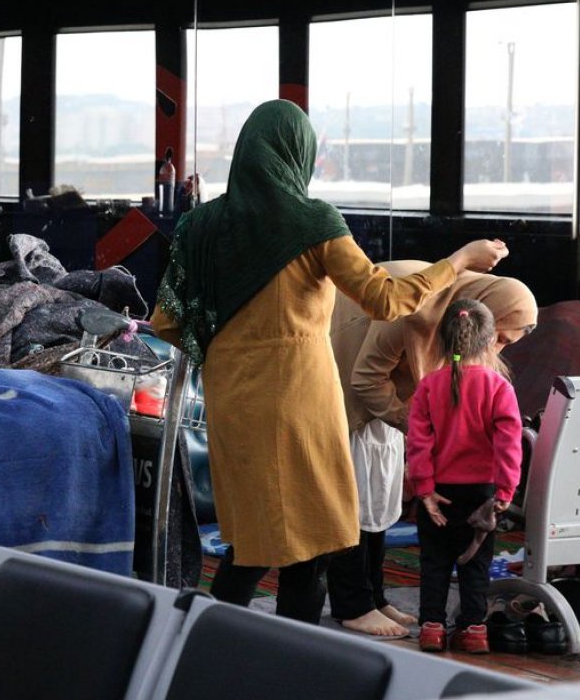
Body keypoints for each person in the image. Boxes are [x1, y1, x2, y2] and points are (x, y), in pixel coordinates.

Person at [149, 99, 509, 624]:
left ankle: (202, 642)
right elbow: (386, 299)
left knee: (254, 533)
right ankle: (297, 655)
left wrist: (228, 353)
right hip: (301, 400)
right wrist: (458, 262)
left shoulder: (199, 227)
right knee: (312, 533)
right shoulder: (314, 221)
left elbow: (167, 321)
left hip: (232, 400)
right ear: (299, 155)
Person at [327, 263, 537, 637]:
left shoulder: (447, 352)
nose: (496, 348)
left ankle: (379, 599)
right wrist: (428, 432)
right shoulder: (419, 307)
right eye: (499, 338)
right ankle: (353, 605)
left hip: (390, 413)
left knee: (379, 507)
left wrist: (424, 464)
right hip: (352, 397)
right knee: (355, 505)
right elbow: (365, 377)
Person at [408, 298, 524, 653]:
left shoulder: (428, 386)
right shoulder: (498, 387)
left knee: (434, 562)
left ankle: (431, 628)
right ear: (490, 341)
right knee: (476, 563)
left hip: (439, 494)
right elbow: (509, 440)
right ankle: (473, 630)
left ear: (443, 341)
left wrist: (424, 490)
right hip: (483, 495)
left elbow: (418, 442)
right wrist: (506, 490)